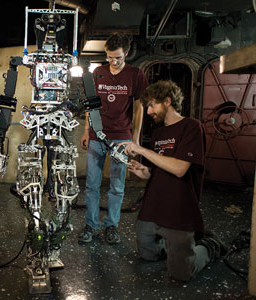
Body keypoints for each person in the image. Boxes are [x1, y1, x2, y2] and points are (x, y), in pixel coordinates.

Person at [121, 80, 228, 281]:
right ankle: (172, 247)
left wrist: (143, 150)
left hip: (178, 208)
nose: (149, 111)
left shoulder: (191, 126)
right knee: (148, 254)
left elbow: (179, 169)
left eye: (152, 105)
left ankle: (210, 245)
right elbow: (162, 167)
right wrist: (146, 172)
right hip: (153, 206)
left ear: (168, 101)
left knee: (181, 273)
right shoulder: (158, 133)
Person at [78, 34, 149, 244]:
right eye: (109, 57)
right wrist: (85, 131)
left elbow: (139, 108)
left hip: (121, 138)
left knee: (117, 186)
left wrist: (134, 139)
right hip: (96, 136)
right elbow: (91, 105)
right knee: (92, 184)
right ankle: (91, 225)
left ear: (126, 53)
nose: (113, 61)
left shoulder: (135, 74)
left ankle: (111, 226)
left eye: (117, 57)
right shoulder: (98, 72)